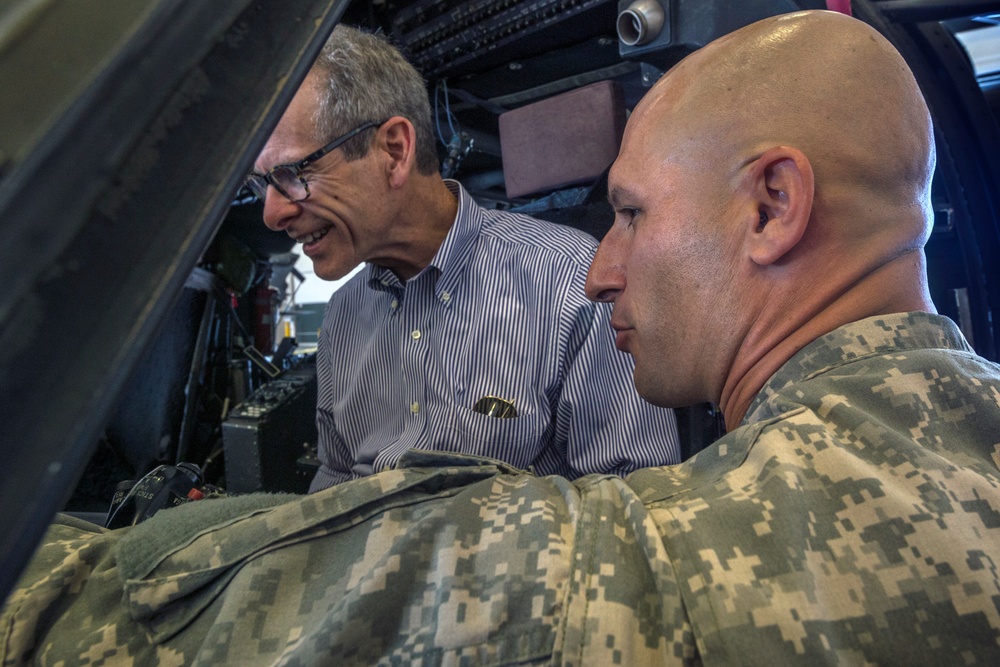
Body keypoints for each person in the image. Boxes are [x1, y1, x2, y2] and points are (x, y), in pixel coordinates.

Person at [3, 10, 999, 665]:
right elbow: (338, 498)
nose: (602, 266)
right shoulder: (348, 320)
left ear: (773, 205)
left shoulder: (669, 549)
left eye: (632, 213)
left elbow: (585, 544)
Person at [248, 25, 680, 490]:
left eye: (292, 174)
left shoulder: (569, 282)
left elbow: (634, 497)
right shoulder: (342, 316)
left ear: (394, 151)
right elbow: (334, 477)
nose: (272, 213)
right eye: (260, 185)